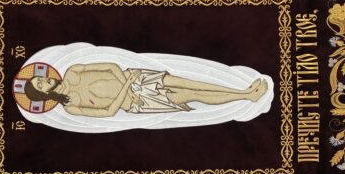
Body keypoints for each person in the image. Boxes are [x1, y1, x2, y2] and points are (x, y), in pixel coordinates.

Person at [22, 62, 268, 118]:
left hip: (136, 78)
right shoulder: (71, 106)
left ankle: (244, 92)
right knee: (194, 96)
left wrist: (128, 81)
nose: (44, 82)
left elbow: (110, 67)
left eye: (40, 79)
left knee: (190, 82)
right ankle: (247, 97)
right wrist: (127, 89)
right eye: (40, 86)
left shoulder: (72, 71)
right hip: (136, 102)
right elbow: (108, 112)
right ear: (44, 95)